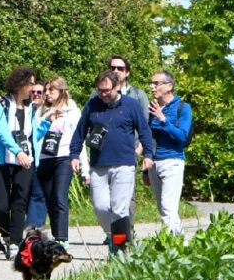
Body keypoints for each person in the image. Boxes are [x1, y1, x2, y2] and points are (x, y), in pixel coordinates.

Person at [71, 69, 155, 253]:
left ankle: (119, 247)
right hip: (98, 165)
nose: (103, 94)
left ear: (117, 86)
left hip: (124, 164)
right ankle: (113, 236)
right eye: (100, 90)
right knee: (101, 206)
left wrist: (148, 154)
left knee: (120, 208)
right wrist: (74, 155)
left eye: (107, 90)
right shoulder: (92, 105)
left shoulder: (131, 105)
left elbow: (144, 131)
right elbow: (80, 131)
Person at [0, 67, 50, 257]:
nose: (33, 88)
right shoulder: (1, 104)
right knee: (1, 204)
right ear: (20, 83)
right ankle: (5, 236)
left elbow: (32, 134)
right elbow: (2, 131)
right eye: (31, 83)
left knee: (19, 202)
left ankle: (15, 242)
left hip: (26, 161)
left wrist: (46, 124)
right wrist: (17, 151)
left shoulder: (31, 107)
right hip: (2, 160)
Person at [34, 77, 81, 246]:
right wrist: (48, 118)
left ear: (61, 91)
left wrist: (82, 164)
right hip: (45, 158)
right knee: (49, 198)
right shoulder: (41, 111)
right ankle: (55, 234)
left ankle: (62, 237)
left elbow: (78, 137)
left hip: (64, 157)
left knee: (59, 195)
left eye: (51, 90)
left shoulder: (73, 111)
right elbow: (35, 134)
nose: (46, 94)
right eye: (46, 90)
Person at [146, 70, 192, 236]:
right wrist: (146, 166)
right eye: (151, 83)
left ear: (169, 86)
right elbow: (150, 138)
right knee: (165, 209)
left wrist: (163, 120)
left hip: (172, 161)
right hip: (154, 164)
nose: (152, 87)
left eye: (156, 84)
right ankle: (183, 245)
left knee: (168, 208)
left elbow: (182, 136)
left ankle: (168, 248)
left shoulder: (183, 107)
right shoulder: (153, 107)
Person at [25, 82, 49, 228]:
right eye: (33, 92)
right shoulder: (26, 110)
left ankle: (35, 226)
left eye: (39, 92)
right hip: (27, 157)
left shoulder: (48, 111)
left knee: (38, 193)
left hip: (44, 158)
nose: (36, 95)